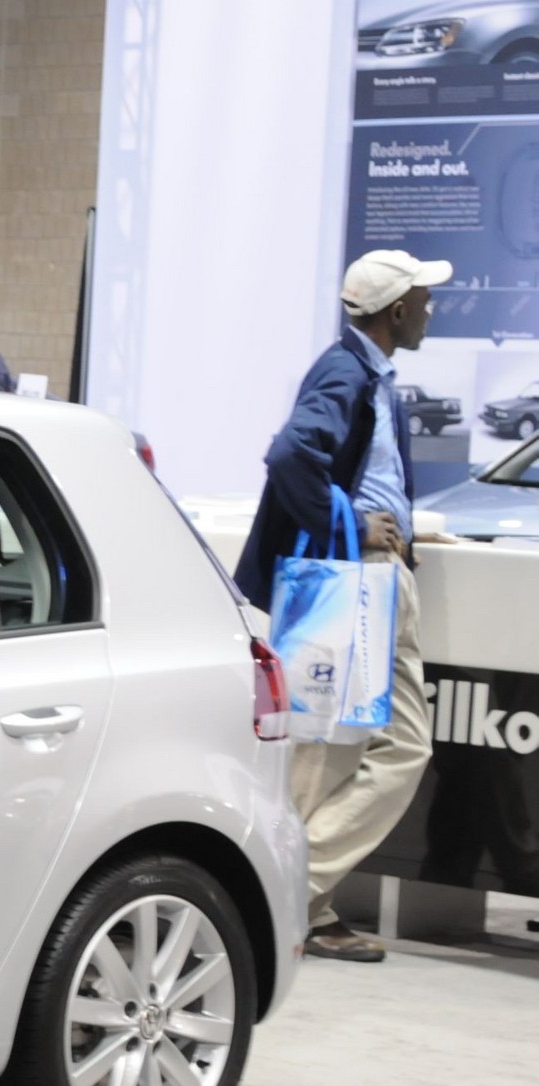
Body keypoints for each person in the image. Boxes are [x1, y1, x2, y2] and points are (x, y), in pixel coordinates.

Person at [231, 247, 455, 963]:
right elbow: (291, 454)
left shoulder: (365, 371)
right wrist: (357, 523)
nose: (431, 308)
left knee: (324, 750)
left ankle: (300, 896)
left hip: (359, 573)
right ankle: (288, 891)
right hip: (357, 574)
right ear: (396, 311)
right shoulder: (347, 370)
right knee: (379, 745)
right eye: (423, 297)